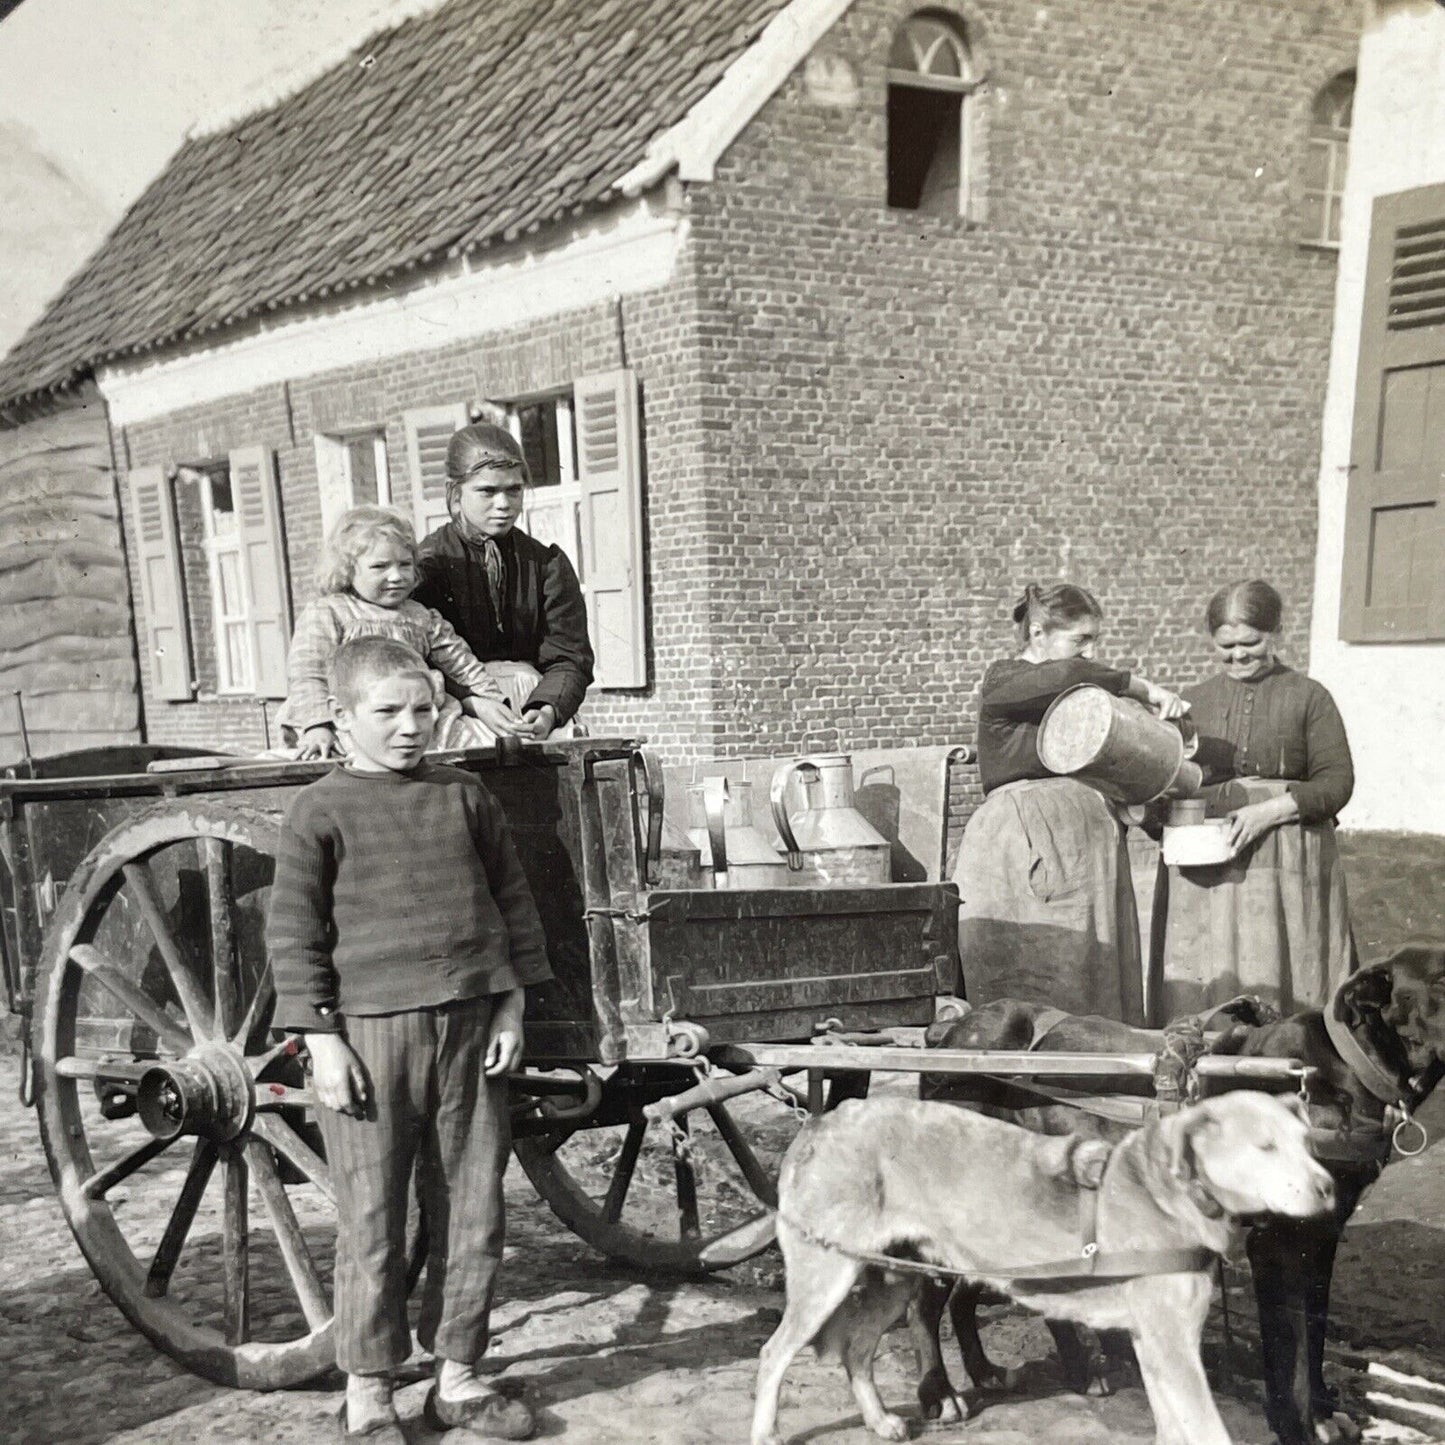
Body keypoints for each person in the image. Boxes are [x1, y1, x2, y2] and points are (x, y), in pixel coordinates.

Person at [267, 636, 549, 1442]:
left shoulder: (464, 796)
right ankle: (368, 1387)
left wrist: (511, 1007)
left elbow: (512, 903)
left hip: (470, 1028)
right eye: (387, 712)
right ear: (344, 716)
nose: (409, 726)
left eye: (423, 709)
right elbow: (293, 936)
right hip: (369, 1038)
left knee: (473, 1205)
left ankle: (457, 1374)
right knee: (372, 1214)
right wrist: (321, 1041)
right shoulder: (319, 809)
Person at [955, 583, 1189, 1024]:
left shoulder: (1082, 691)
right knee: (1038, 969)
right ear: (1038, 632)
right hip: (1028, 845)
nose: (1089, 652)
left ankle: (1096, 1079)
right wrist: (1138, 686)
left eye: (1095, 640)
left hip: (1087, 851)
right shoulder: (1005, 681)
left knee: (1092, 973)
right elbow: (1062, 676)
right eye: (1080, 639)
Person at [1152, 580, 1355, 1018]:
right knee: (1212, 977)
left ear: (1276, 631)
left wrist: (1269, 810)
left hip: (1288, 862)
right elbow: (1172, 787)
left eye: (1252, 642)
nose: (1239, 655)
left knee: (1289, 979)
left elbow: (1337, 783)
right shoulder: (1194, 703)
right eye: (1226, 646)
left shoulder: (1309, 697)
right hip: (1210, 871)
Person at [278, 506, 510, 759]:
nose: (396, 576)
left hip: (419, 716)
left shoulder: (421, 616)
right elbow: (307, 674)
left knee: (479, 745)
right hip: (353, 720)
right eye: (380, 566)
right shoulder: (329, 612)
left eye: (405, 564)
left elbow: (462, 664)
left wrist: (492, 700)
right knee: (342, 756)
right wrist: (317, 726)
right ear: (347, 569)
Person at [413, 422, 593, 740]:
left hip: (535, 704)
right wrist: (474, 702)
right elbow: (413, 659)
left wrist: (548, 710)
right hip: (455, 709)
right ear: (454, 493)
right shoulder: (427, 566)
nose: (504, 503)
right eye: (487, 491)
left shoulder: (546, 564)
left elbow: (569, 656)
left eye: (514, 489)